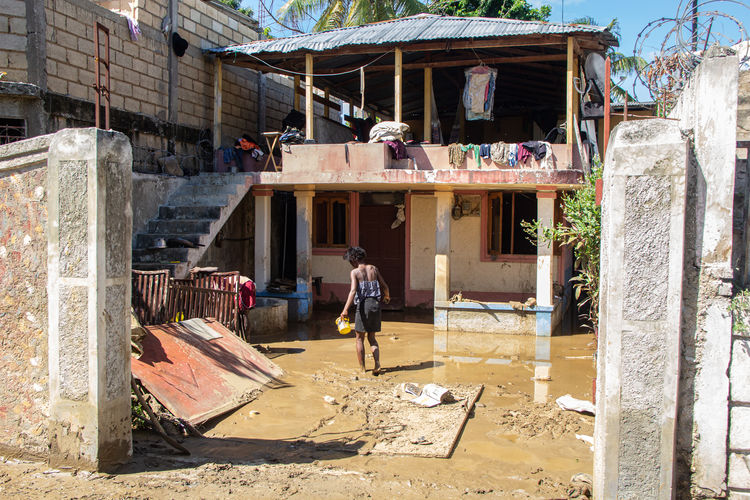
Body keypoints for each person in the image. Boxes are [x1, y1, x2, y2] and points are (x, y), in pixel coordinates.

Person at [338, 246, 390, 375]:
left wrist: (345, 310)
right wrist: (387, 296)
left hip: (363, 306)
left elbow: (353, 291)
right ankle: (377, 364)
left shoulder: (355, 272)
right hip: (376, 305)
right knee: (372, 338)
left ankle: (362, 369)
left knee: (359, 338)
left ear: (353, 259)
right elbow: (384, 285)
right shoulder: (374, 269)